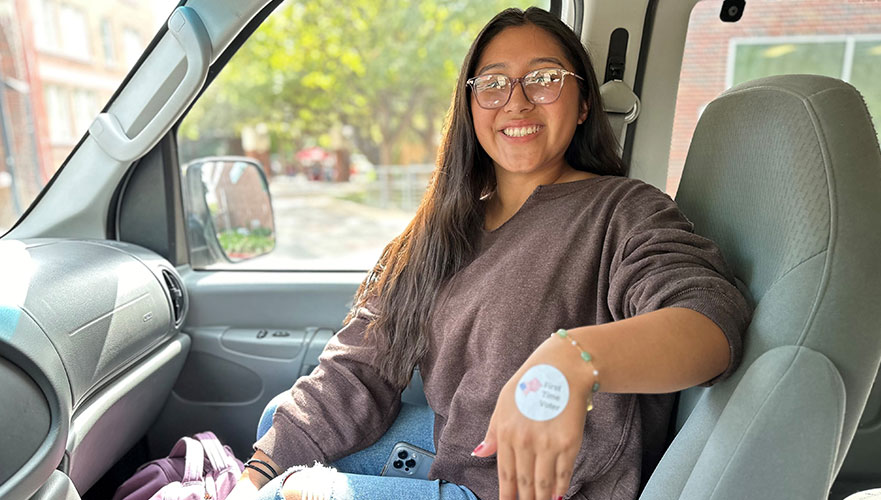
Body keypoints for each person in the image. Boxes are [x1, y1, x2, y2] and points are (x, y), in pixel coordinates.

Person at [227, 7, 752, 500]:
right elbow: (360, 366)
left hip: (544, 488)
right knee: (280, 426)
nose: (517, 101)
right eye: (494, 84)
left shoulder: (623, 209)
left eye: (544, 78)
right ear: (471, 106)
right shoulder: (444, 227)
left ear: (584, 101)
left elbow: (710, 325)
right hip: (468, 461)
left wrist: (570, 360)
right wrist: (251, 480)